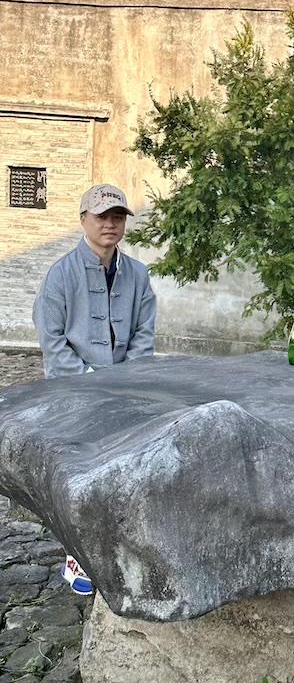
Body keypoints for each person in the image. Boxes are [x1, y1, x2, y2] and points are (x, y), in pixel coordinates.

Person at [32, 183, 157, 593]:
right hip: (75, 394)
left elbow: (143, 334)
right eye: (101, 216)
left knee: (127, 473)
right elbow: (52, 341)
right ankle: (79, 556)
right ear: (83, 219)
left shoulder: (137, 274)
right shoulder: (61, 275)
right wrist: (91, 380)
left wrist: (127, 379)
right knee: (80, 479)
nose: (110, 224)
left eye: (117, 216)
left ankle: (121, 551)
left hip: (126, 392)